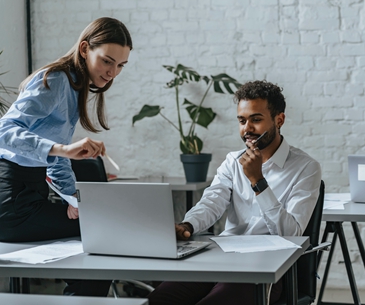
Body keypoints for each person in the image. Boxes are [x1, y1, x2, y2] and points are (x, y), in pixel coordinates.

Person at [148, 80, 322, 305]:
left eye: (256, 120)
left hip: (267, 267)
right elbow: (212, 202)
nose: (247, 129)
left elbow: (291, 233)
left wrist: (257, 180)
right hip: (222, 257)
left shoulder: (306, 168)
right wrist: (188, 225)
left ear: (279, 120)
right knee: (160, 299)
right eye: (242, 120)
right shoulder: (232, 161)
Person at [0, 17, 132, 296]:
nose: (113, 73)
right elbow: (5, 130)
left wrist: (74, 199)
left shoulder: (73, 86)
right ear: (85, 49)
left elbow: (57, 157)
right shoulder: (56, 80)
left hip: (28, 194)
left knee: (100, 226)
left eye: (120, 65)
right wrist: (62, 149)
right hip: (10, 202)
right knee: (104, 231)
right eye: (107, 61)